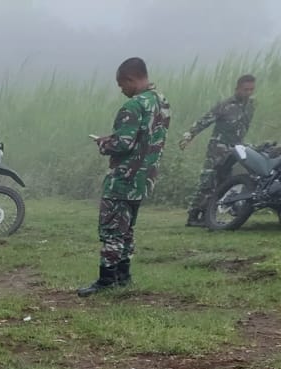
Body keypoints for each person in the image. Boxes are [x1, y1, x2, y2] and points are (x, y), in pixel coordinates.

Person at [79, 58, 171, 297]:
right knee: (128, 229)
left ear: (131, 79)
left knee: (112, 230)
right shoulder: (161, 102)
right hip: (144, 178)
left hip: (123, 179)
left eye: (122, 85)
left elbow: (123, 144)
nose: (121, 90)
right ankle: (123, 276)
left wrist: (104, 143)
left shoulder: (133, 106)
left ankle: (107, 280)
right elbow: (146, 137)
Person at [180, 74, 256, 226]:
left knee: (226, 182)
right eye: (245, 89)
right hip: (218, 149)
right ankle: (194, 215)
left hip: (235, 150)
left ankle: (210, 215)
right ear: (237, 89)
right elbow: (205, 120)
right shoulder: (225, 105)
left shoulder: (251, 105)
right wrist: (189, 135)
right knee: (208, 182)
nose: (248, 93)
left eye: (251, 89)